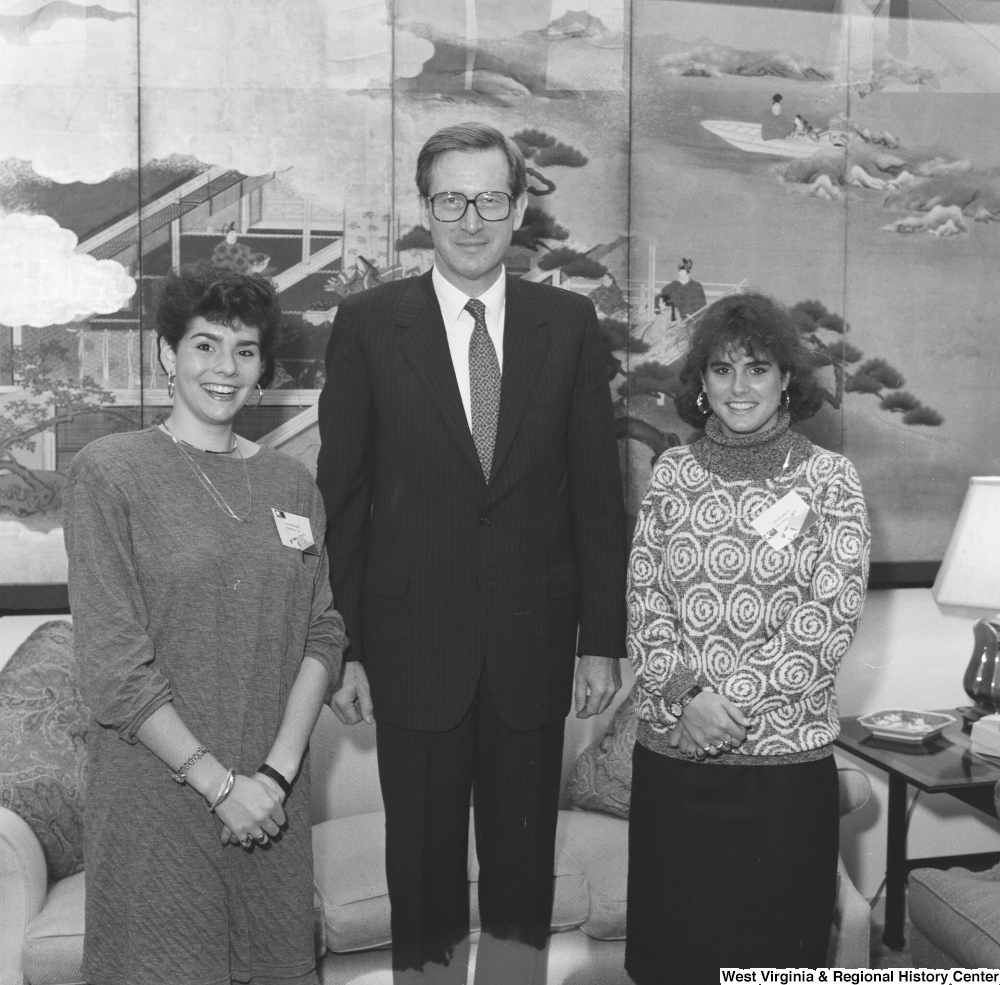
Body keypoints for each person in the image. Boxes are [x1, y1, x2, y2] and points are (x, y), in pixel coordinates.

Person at [316, 121, 627, 984]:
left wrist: (600, 637)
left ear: (519, 205)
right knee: (420, 869)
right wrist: (345, 648)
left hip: (534, 647)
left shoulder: (567, 323)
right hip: (412, 648)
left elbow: (599, 495)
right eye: (450, 197)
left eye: (491, 197)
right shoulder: (372, 323)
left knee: (523, 870)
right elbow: (341, 499)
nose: (471, 217)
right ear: (425, 208)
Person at [64, 262, 346, 985]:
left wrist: (274, 779)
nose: (226, 367)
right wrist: (223, 787)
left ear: (263, 367)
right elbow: (115, 671)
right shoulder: (111, 472)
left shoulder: (292, 483)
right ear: (167, 355)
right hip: (158, 807)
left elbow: (323, 631)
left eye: (245, 350)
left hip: (269, 812)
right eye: (205, 345)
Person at [624, 292, 870, 983]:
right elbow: (646, 602)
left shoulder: (830, 482)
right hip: (675, 765)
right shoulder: (672, 473)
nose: (739, 387)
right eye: (722, 369)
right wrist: (688, 699)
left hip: (783, 778)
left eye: (757, 368)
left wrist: (722, 708)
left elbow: (827, 619)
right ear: (700, 381)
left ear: (786, 377)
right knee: (677, 965)